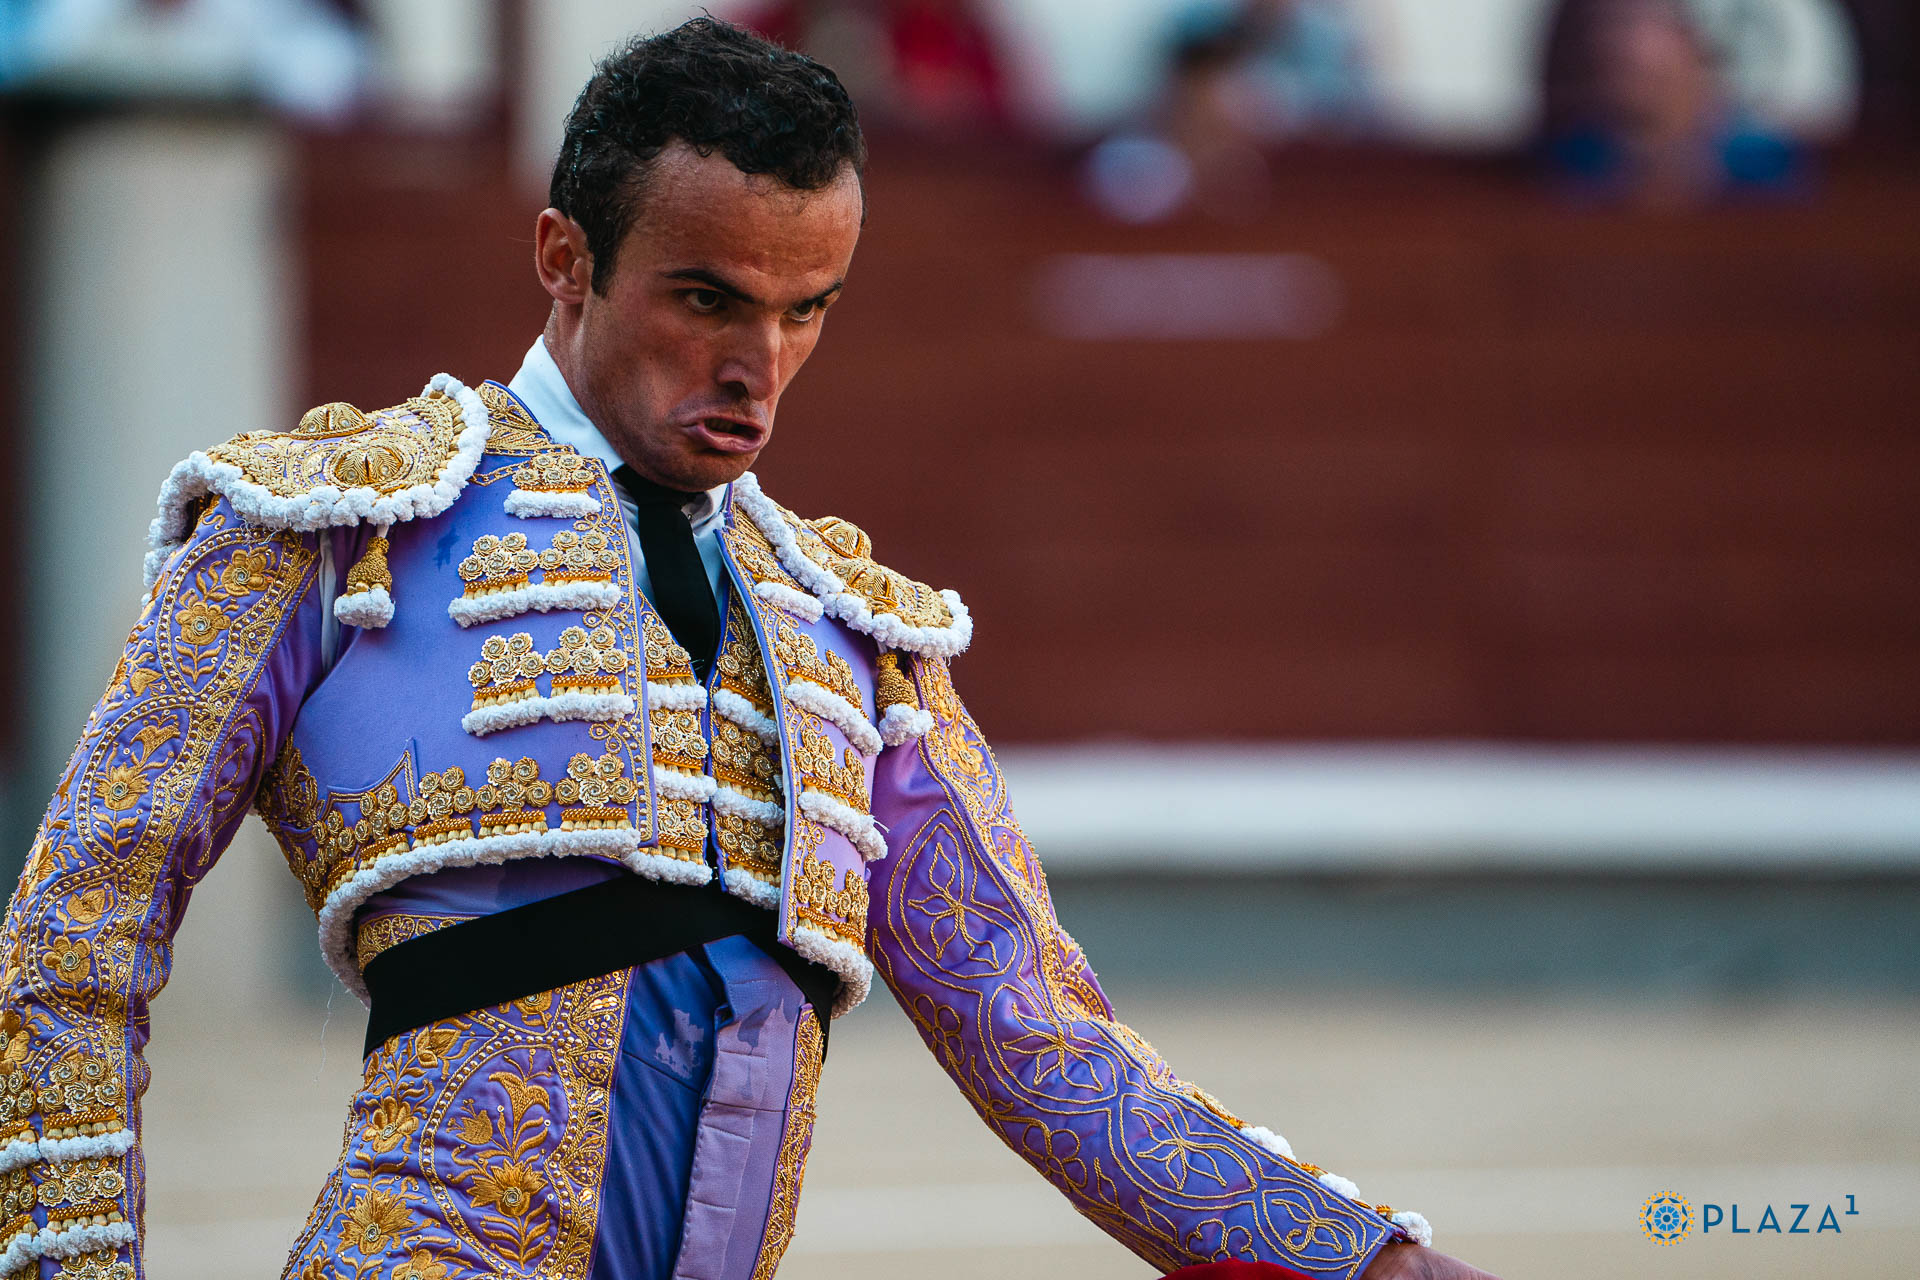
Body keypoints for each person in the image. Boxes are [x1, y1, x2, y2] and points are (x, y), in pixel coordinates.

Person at [0, 18, 1495, 1280]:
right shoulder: (329, 529)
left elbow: (1048, 1047)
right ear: (564, 259)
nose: (757, 370)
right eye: (706, 300)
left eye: (807, 312)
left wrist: (1366, 1259)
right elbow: (69, 946)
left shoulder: (853, 636)